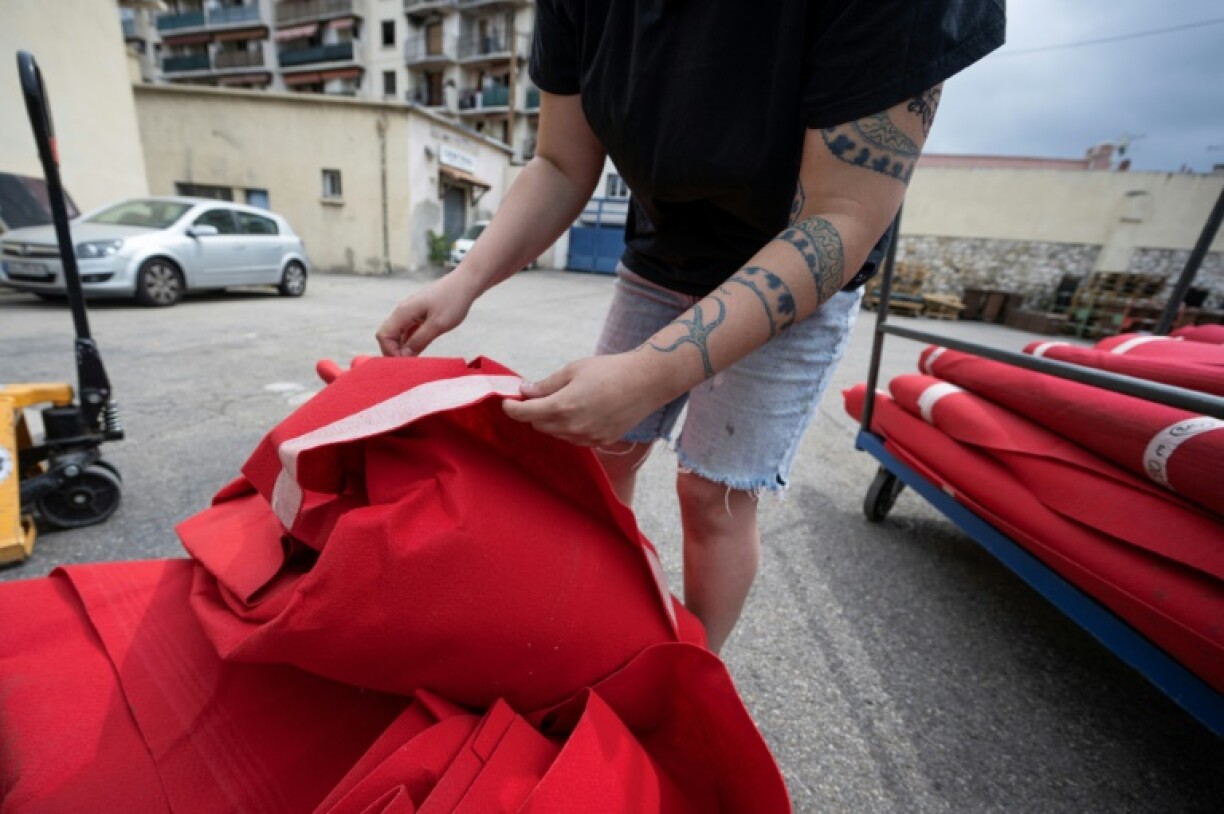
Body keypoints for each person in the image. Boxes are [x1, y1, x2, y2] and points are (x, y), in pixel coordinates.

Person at [378, 1, 1006, 652]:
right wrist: (464, 280)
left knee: (713, 497)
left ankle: (691, 676)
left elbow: (842, 214)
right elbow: (562, 163)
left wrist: (649, 374)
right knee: (600, 459)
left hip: (798, 261)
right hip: (663, 248)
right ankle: (591, 621)